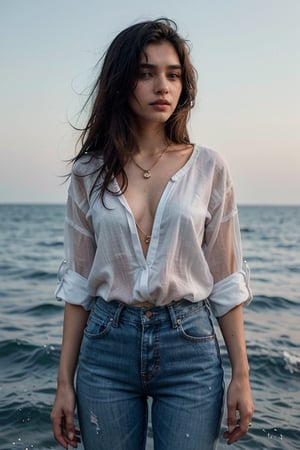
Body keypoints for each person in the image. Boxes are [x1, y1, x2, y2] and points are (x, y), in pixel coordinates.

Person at [51, 18, 254, 450]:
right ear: (122, 82)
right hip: (106, 346)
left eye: (173, 74)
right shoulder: (89, 172)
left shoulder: (209, 168)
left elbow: (225, 278)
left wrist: (242, 375)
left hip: (190, 346)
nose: (162, 85)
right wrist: (63, 383)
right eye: (146, 73)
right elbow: (79, 283)